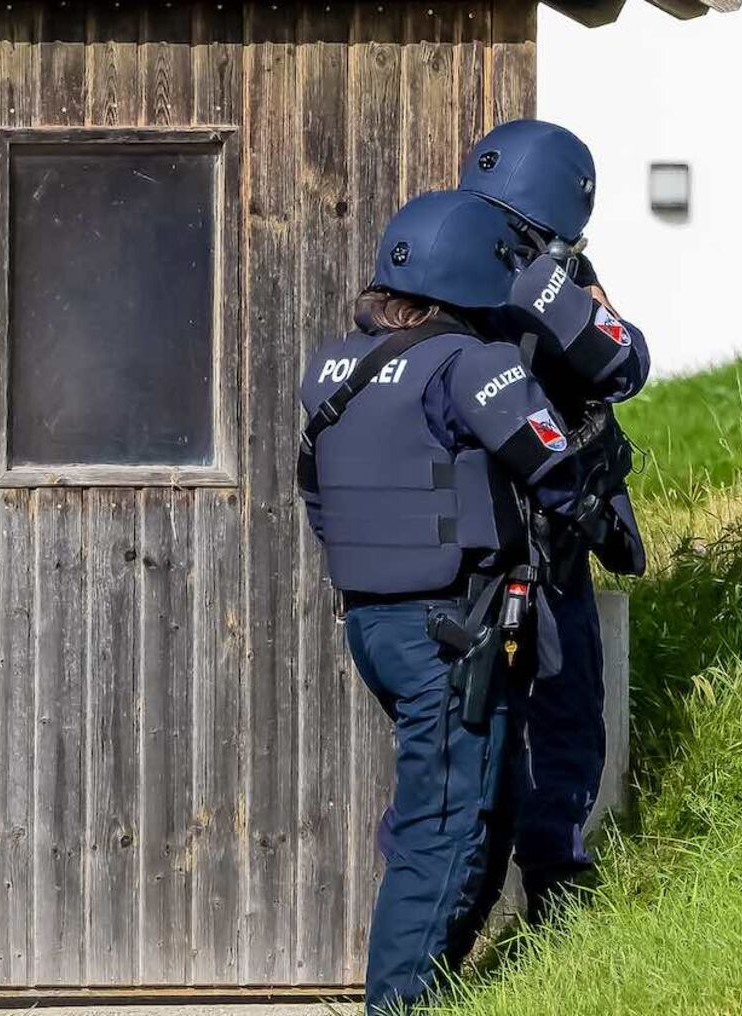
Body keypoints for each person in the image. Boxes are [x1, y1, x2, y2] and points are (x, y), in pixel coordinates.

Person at [296, 121, 650, 1015]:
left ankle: (466, 960)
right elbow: (622, 364)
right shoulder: (521, 279)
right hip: (507, 564)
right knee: (511, 760)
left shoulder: (435, 262)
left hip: (456, 577)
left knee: (460, 778)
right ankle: (517, 930)